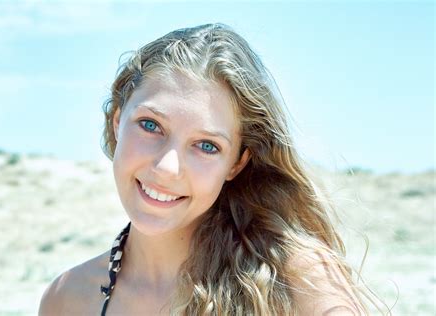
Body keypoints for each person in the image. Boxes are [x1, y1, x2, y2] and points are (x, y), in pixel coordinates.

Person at [39, 23, 382, 315]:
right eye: (150, 125)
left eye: (206, 146)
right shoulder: (68, 299)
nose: (167, 167)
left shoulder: (295, 279)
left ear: (237, 163)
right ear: (117, 122)